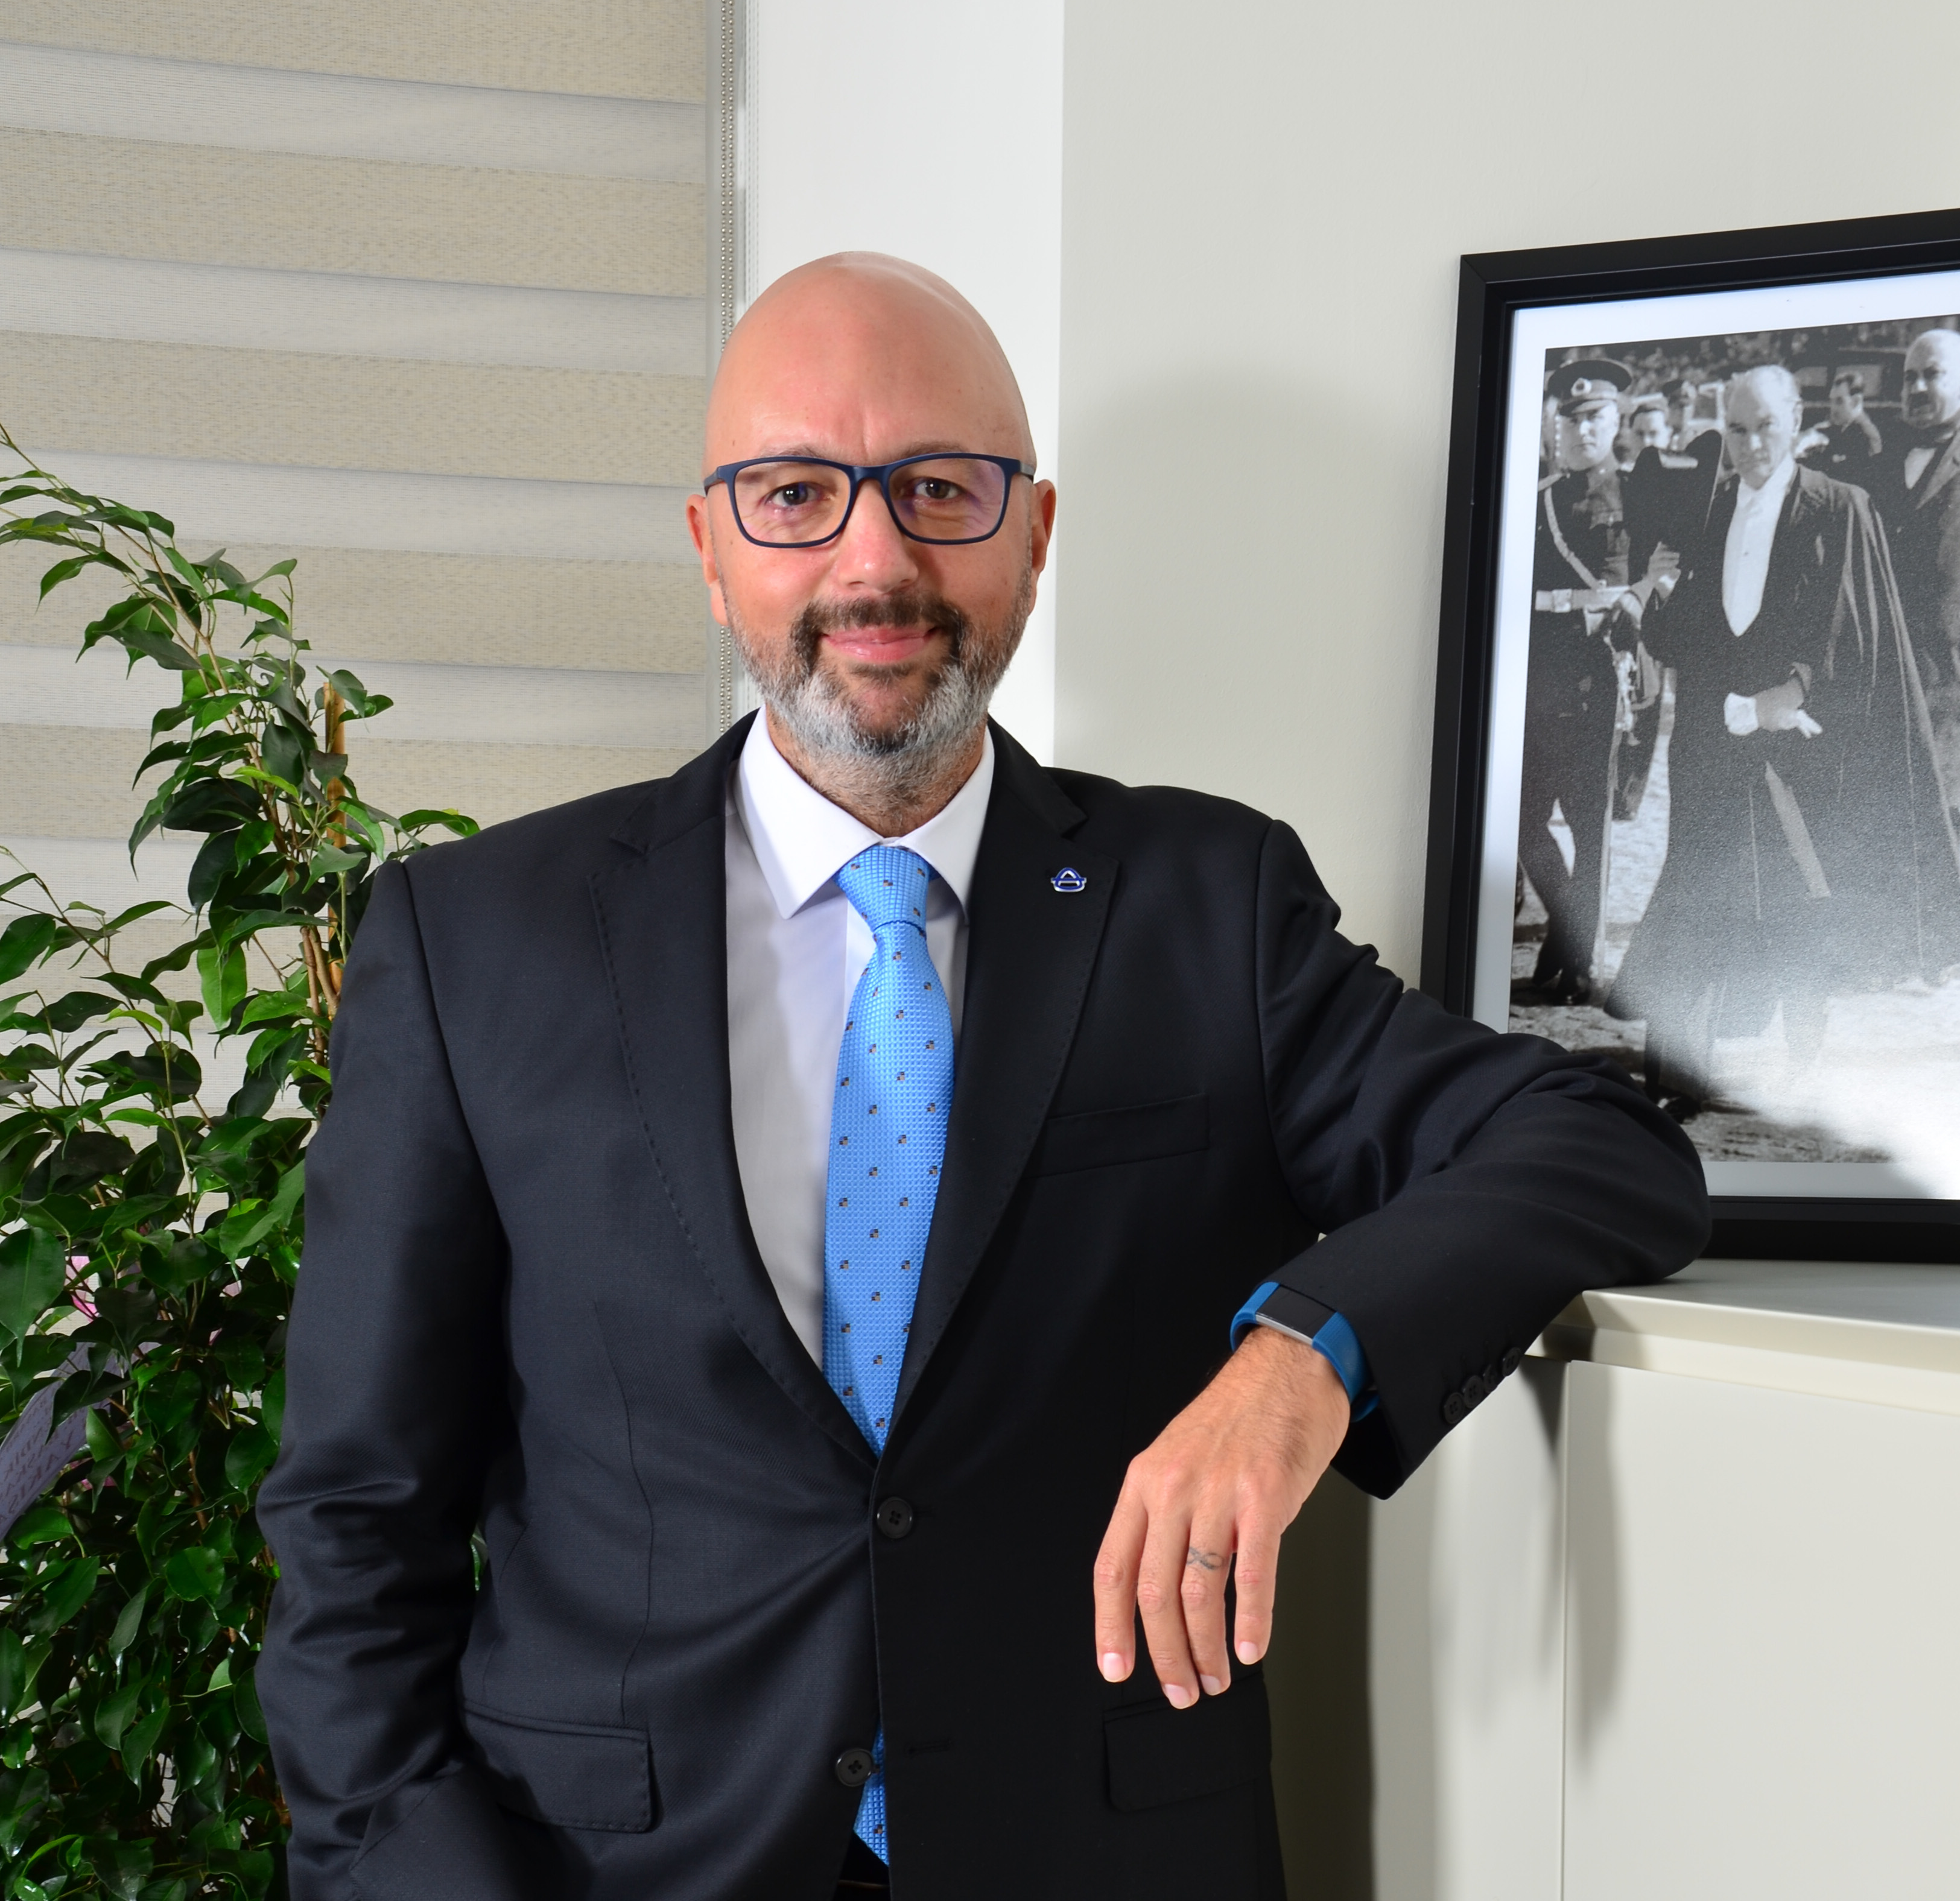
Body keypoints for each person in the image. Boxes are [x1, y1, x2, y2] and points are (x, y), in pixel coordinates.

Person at [256, 255, 1708, 1901]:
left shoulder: (1207, 906)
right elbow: (356, 1519)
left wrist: (1303, 1354)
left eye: (941, 488)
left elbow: (1595, 1141)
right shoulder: (476, 939)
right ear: (710, 550)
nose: (875, 559)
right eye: (795, 493)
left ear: (1033, 532)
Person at [1608, 365, 1960, 1113]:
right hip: (1711, 739)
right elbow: (1689, 635)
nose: (1748, 445)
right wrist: (1658, 599)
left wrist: (1788, 696)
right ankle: (1676, 1076)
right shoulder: (1709, 509)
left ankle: (1804, 1060)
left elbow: (1848, 622)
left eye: (1764, 426)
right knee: (1697, 889)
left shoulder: (1838, 505)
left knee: (1801, 895)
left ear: (1795, 420)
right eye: (1735, 430)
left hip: (1800, 745)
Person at [1518, 359, 1646, 1001]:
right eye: (1570, 420)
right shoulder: (1537, 498)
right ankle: (1567, 929)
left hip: (1598, 678)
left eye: (1593, 418)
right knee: (1520, 820)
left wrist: (1635, 601)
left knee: (1589, 822)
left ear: (1615, 421)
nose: (1580, 430)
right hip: (1537, 675)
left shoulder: (1639, 495)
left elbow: (1662, 572)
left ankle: (1580, 961)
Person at [1877, 328, 1960, 850]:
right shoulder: (1886, 452)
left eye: (1931, 375)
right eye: (1909, 377)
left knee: (1946, 825)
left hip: (1953, 670)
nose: (1916, 388)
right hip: (1891, 666)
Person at [1810, 368, 1885, 490]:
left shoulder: (1865, 435)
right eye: (1832, 401)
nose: (1833, 409)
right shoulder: (1841, 430)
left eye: (1839, 401)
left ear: (1856, 401)